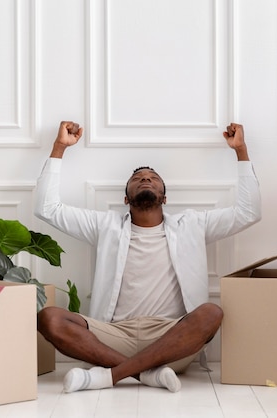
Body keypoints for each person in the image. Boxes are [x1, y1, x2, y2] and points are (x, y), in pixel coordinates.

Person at [34, 121, 261, 393]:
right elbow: (47, 208)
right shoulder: (105, 226)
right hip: (113, 337)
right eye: (138, 178)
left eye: (153, 179)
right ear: (126, 199)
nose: (145, 179)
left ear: (164, 198)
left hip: (172, 339)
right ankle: (148, 375)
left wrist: (241, 150)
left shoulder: (192, 225)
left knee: (211, 312)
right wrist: (59, 147)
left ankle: (110, 376)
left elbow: (249, 212)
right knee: (49, 318)